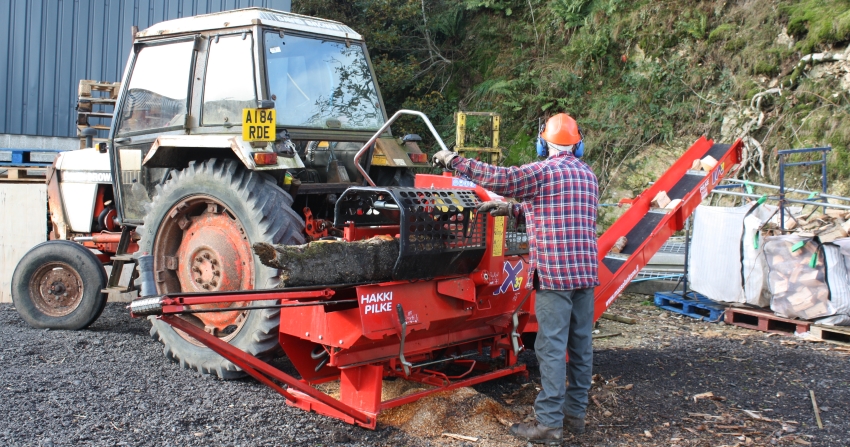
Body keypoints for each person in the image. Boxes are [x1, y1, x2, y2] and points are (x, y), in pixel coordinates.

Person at [432, 113, 599, 444]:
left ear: (543, 141)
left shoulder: (542, 171)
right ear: (577, 144)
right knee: (580, 346)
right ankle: (574, 417)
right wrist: (511, 210)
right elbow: (557, 208)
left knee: (550, 349)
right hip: (585, 275)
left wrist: (455, 161)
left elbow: (502, 178)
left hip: (554, 275)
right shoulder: (587, 175)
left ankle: (550, 425)